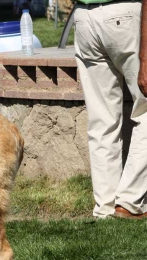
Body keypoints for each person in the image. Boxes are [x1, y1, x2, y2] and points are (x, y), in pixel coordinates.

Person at [74, 0, 147, 219]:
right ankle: (129, 201)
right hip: (124, 14)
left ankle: (105, 207)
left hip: (84, 18)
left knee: (102, 120)